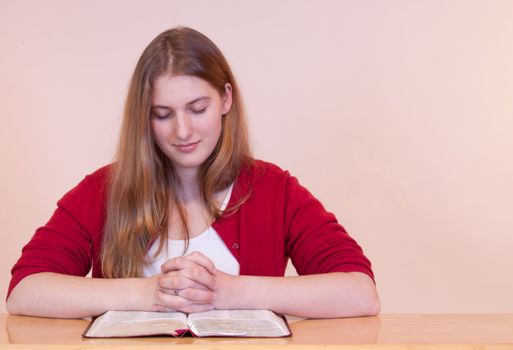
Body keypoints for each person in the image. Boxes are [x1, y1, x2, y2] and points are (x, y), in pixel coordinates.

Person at [6, 27, 380, 319]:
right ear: (144, 117)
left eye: (197, 108)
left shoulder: (273, 189)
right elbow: (25, 291)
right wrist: (148, 293)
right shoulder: (104, 190)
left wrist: (229, 292)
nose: (182, 131)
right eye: (162, 114)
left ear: (226, 100)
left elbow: (359, 292)